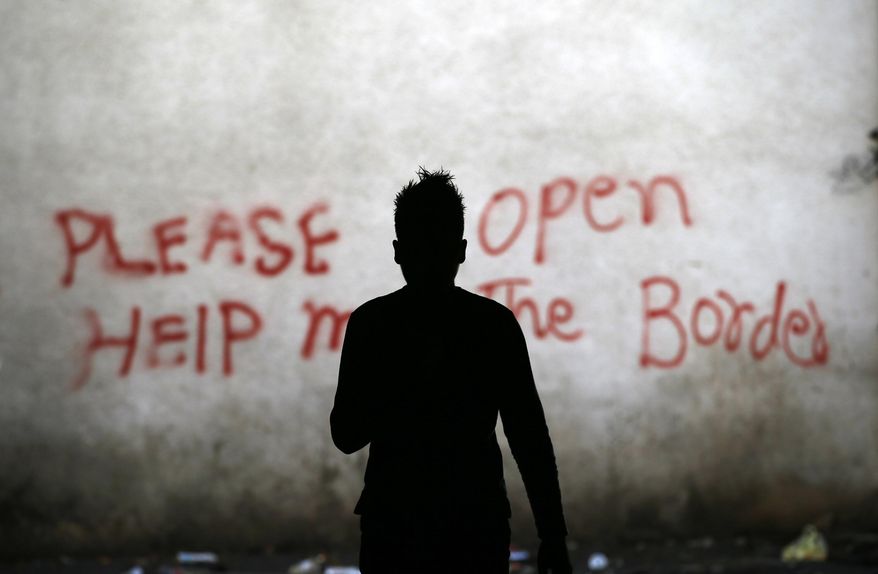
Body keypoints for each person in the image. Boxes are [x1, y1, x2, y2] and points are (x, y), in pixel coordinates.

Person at [330, 168, 572, 574]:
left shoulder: (373, 325)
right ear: (461, 250)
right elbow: (528, 437)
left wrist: (399, 389)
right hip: (475, 524)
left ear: (397, 251)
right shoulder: (492, 325)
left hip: (394, 525)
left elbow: (345, 435)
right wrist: (553, 535)